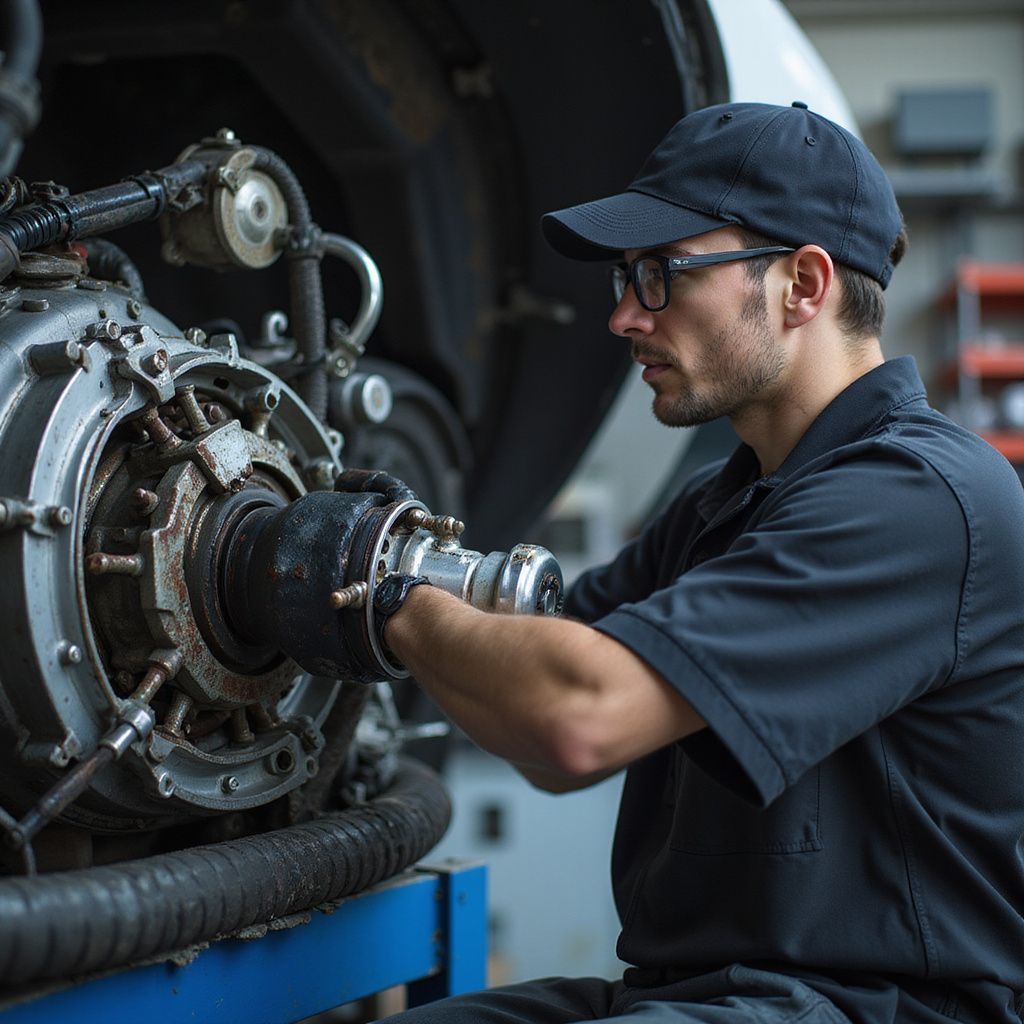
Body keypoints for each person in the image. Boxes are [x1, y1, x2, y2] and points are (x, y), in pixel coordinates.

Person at [373, 102, 1024, 1023]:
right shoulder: (726, 502)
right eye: (622, 278)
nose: (623, 317)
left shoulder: (920, 498)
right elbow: (543, 673)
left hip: (873, 1009)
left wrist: (386, 590)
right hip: (700, 995)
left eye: (660, 275)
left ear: (803, 284)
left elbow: (573, 720)